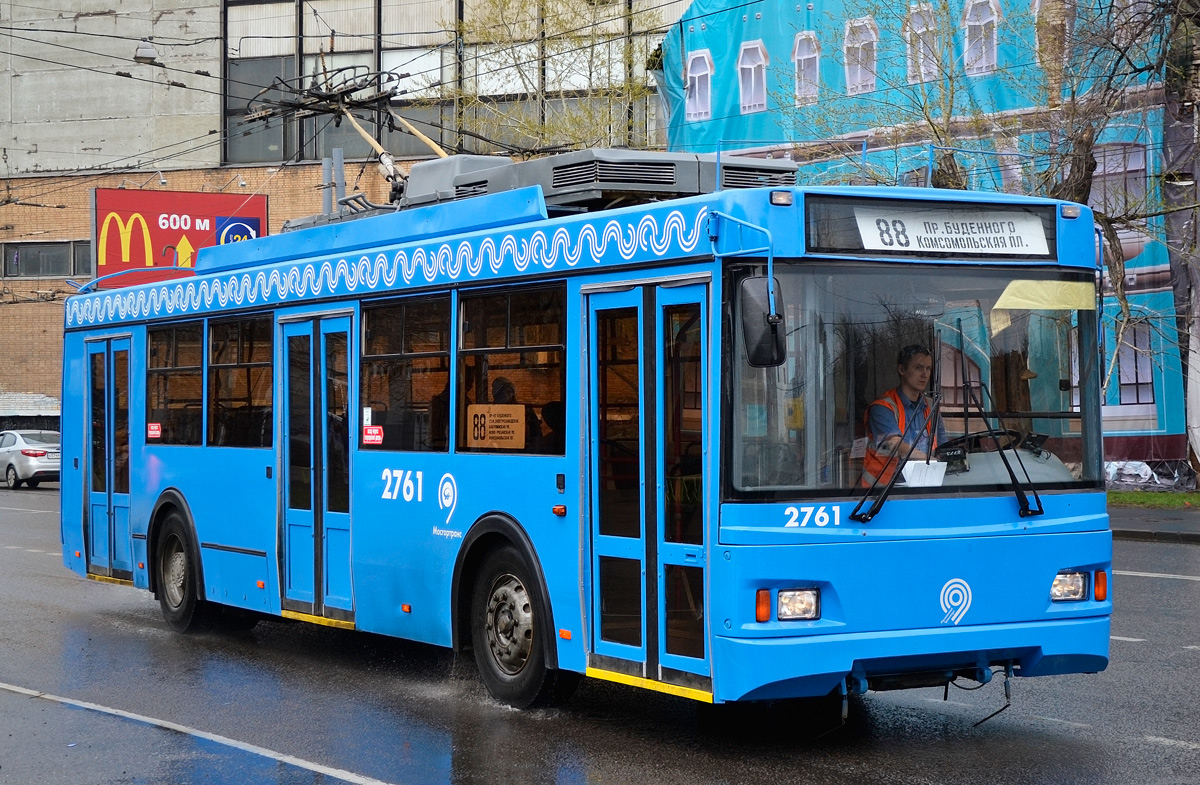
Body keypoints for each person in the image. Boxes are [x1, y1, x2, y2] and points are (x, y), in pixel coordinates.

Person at [862, 344, 948, 487]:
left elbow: (943, 448)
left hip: (926, 485)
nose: (925, 374)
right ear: (901, 369)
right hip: (883, 494)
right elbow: (894, 444)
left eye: (928, 368)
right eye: (918, 367)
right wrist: (929, 460)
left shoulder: (931, 406)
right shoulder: (882, 408)